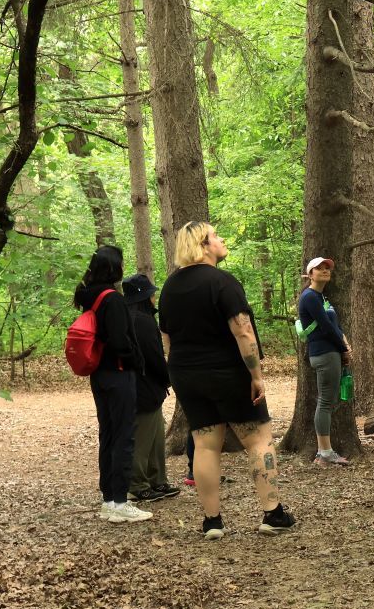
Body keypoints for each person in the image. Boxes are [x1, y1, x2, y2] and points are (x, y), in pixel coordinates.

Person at [158, 222, 295, 540]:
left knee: (206, 446)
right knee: (259, 441)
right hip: (228, 372)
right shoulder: (222, 282)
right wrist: (256, 376)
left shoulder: (170, 288)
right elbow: (242, 330)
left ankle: (212, 522)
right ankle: (273, 515)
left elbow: (166, 339)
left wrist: (182, 372)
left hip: (186, 374)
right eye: (216, 236)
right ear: (204, 245)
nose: (222, 240)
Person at [73, 246, 152, 524]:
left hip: (100, 375)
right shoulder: (112, 300)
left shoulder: (89, 296)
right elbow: (119, 342)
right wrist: (135, 360)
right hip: (119, 375)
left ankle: (109, 499)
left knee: (107, 435)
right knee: (124, 437)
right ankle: (119, 501)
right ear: (112, 268)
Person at [122, 273, 180, 503]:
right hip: (143, 387)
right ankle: (137, 485)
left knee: (156, 435)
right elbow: (153, 357)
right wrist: (168, 378)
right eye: (152, 295)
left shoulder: (128, 317)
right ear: (144, 297)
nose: (154, 298)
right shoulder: (141, 321)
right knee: (142, 438)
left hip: (143, 388)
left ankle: (157, 481)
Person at [297, 257, 352, 466]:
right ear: (310, 274)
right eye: (319, 269)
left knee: (327, 401)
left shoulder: (321, 297)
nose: (325, 271)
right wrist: (343, 349)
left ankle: (324, 452)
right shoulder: (310, 297)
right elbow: (325, 328)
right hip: (324, 353)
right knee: (325, 402)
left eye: (327, 268)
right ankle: (325, 453)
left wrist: (345, 343)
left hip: (331, 352)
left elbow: (335, 326)